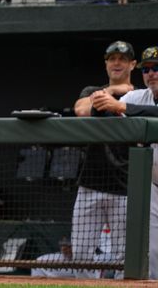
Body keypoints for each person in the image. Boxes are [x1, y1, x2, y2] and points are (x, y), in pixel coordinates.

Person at [88, 45, 158, 280]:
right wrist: (100, 102)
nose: (151, 74)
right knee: (153, 254)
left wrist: (121, 106)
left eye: (157, 68)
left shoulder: (134, 102)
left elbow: (137, 110)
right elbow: (107, 112)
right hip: (154, 187)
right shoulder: (139, 96)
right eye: (147, 69)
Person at [70, 41, 136, 277]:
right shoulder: (92, 91)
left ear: (132, 64)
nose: (116, 63)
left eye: (122, 58)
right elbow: (81, 110)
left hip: (126, 186)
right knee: (80, 256)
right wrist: (109, 92)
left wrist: (123, 96)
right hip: (91, 183)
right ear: (106, 63)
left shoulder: (140, 95)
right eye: (112, 58)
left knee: (126, 257)